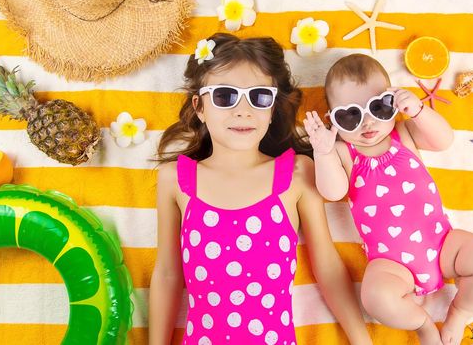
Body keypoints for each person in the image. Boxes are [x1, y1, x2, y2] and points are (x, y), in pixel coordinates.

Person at [149, 33, 372, 345]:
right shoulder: (176, 178)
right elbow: (168, 275)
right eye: (225, 96)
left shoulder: (295, 173)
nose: (243, 110)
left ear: (272, 108)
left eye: (259, 97)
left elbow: (328, 266)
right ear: (199, 106)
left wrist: (363, 341)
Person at [303, 54, 473, 345]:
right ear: (331, 120)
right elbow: (332, 192)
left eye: (378, 107)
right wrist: (322, 153)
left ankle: (459, 312)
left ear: (394, 102)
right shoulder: (343, 152)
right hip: (391, 264)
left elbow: (443, 140)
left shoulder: (404, 132)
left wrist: (419, 111)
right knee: (375, 298)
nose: (368, 122)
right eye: (350, 115)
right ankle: (422, 324)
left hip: (443, 244)